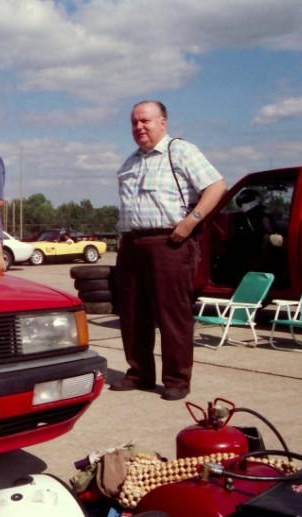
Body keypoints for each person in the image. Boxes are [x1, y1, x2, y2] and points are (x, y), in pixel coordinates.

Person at [110, 100, 227, 401]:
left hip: (169, 242)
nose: (139, 127)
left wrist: (191, 223)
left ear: (163, 122)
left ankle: (176, 379)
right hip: (132, 244)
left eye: (145, 121)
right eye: (134, 122)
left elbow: (216, 187)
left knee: (171, 314)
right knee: (133, 313)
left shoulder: (181, 151)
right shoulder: (130, 162)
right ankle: (139, 374)